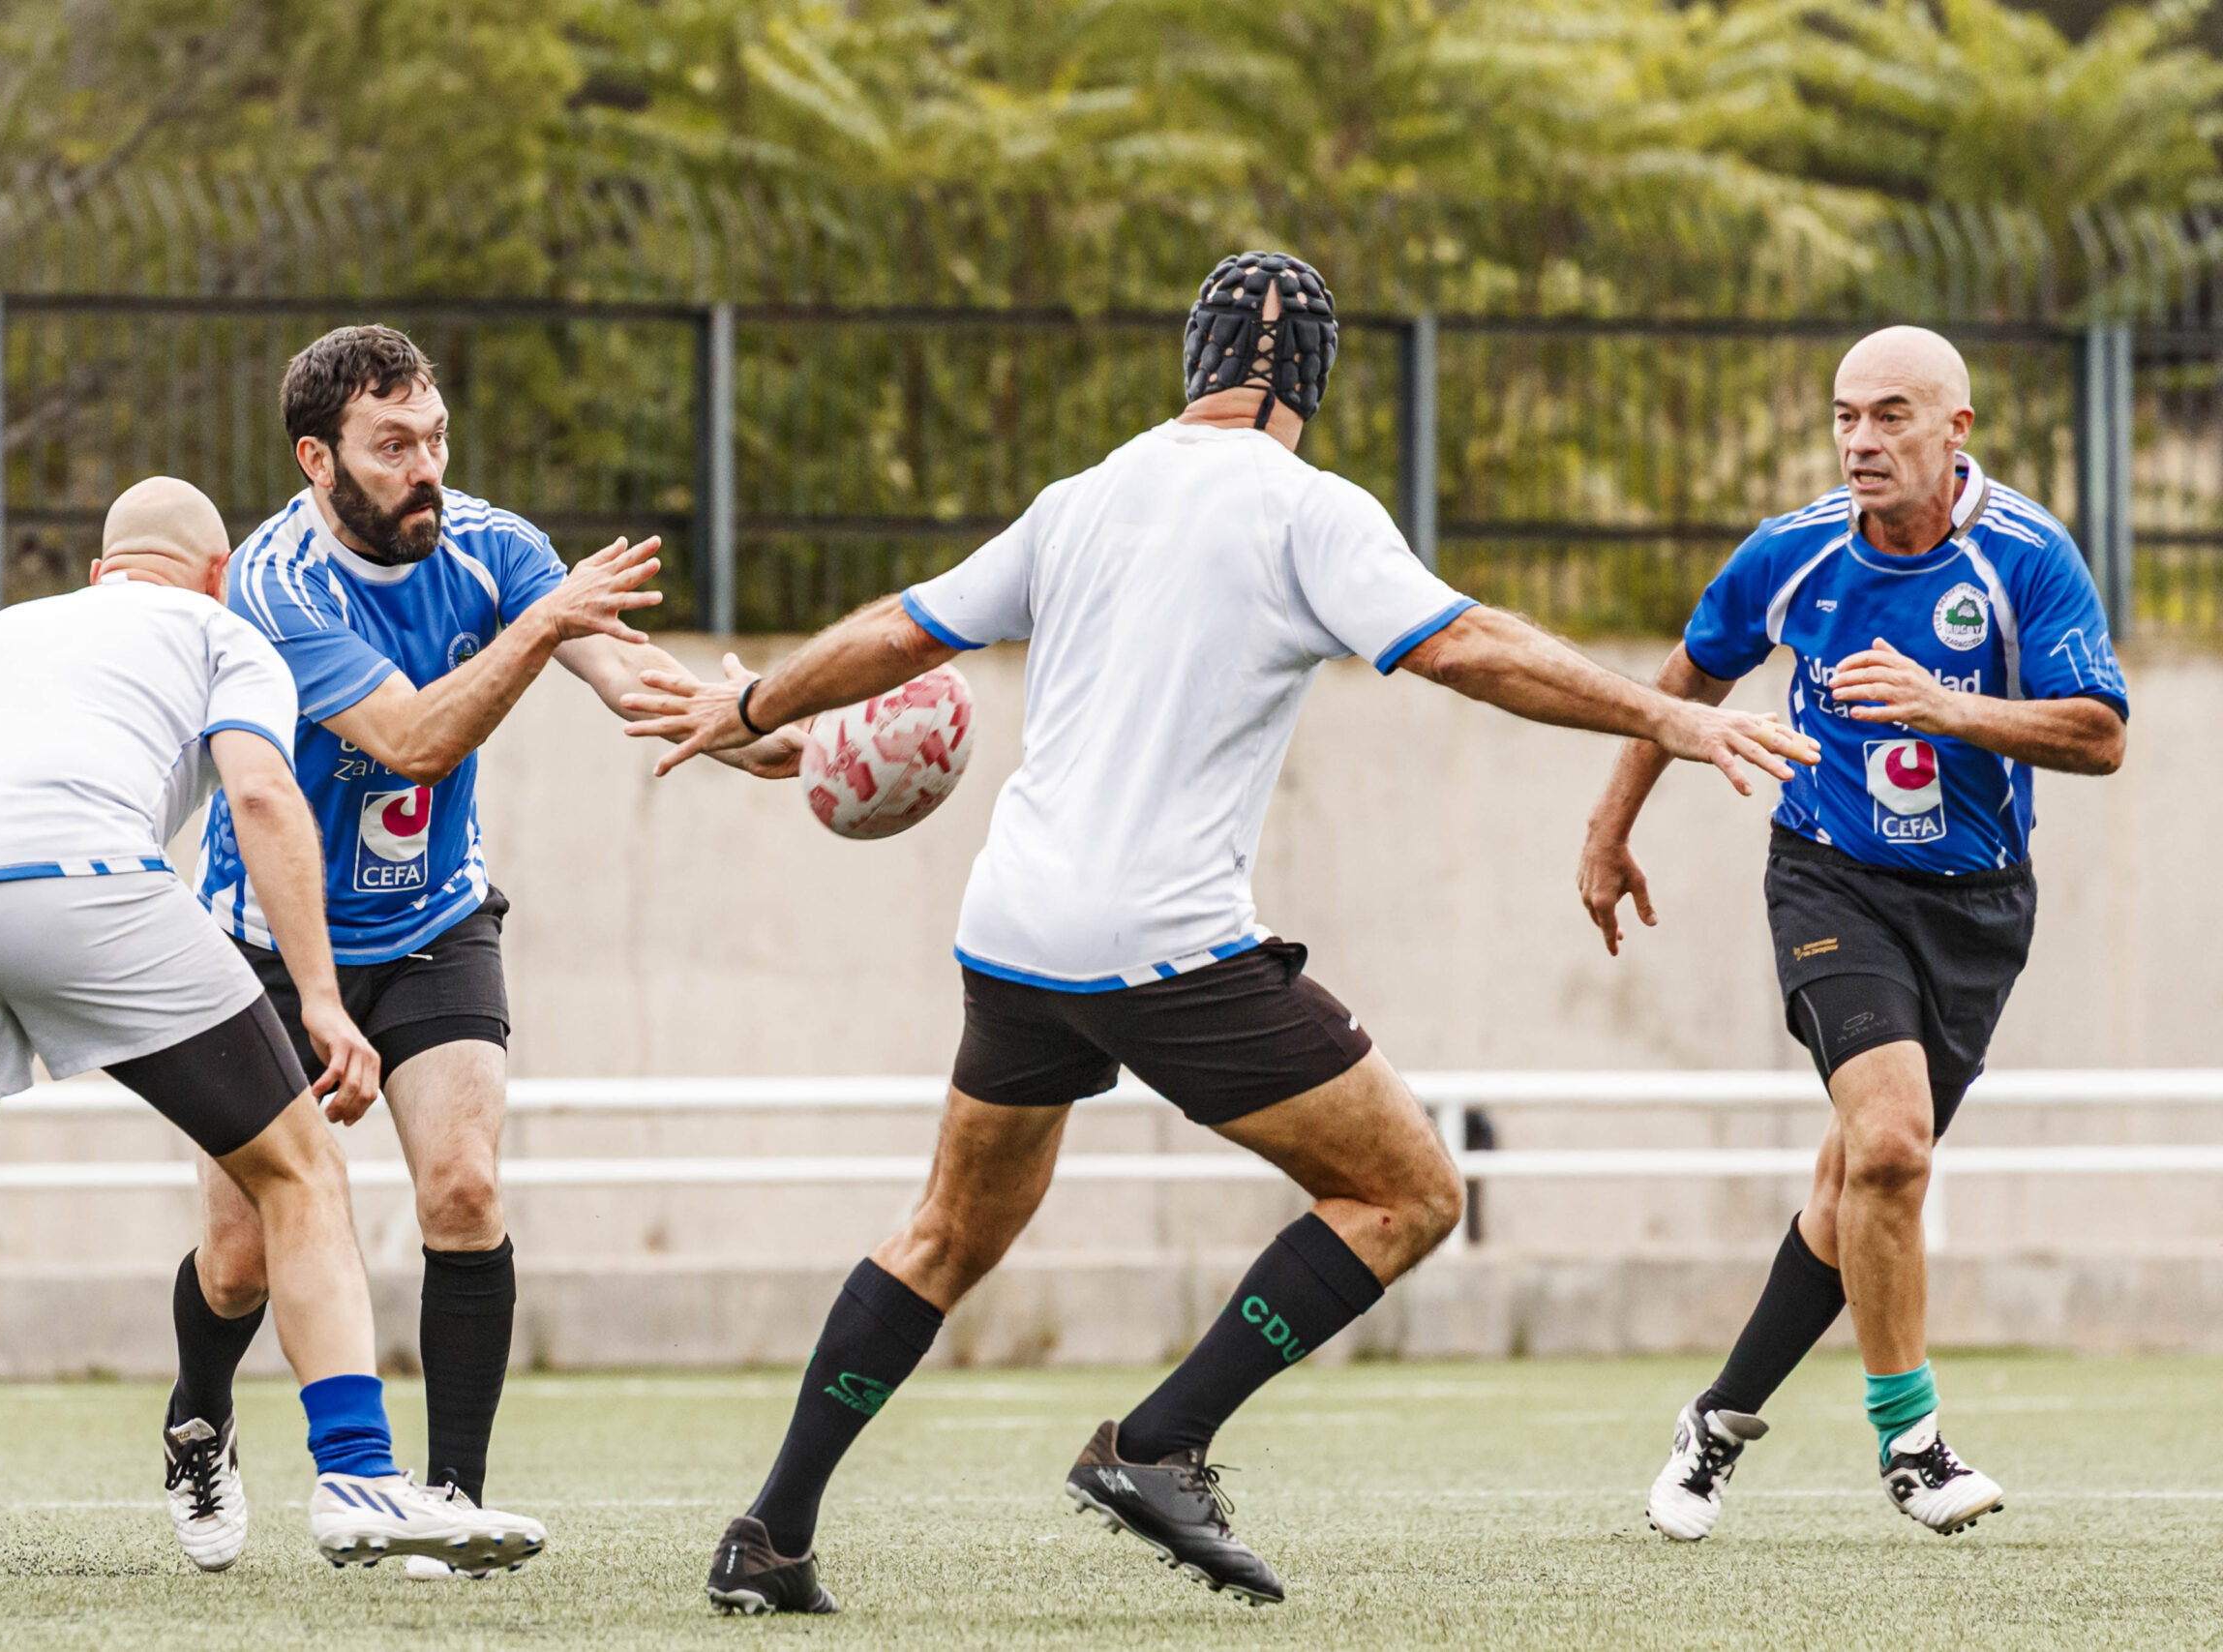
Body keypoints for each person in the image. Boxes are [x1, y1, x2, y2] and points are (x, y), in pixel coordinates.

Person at [624, 252, 1817, 1614]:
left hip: (1014, 933)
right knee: (1410, 1190)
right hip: (1165, 948)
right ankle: (1158, 1441)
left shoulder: (1079, 498)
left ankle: (770, 1531)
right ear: (1314, 379)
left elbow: (902, 631)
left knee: (948, 1228)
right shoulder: (1307, 511)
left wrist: (758, 705)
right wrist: (1670, 714)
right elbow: (1467, 644)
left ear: (1189, 359)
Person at [0, 477, 549, 1603]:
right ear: (218, 573)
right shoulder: (221, 626)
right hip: (88, 885)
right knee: (297, 1175)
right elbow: (263, 799)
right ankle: (357, 1477)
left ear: (100, 573)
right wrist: (323, 1003)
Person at [170, 325, 798, 1578]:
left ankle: (448, 1498)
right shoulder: (277, 584)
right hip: (270, 943)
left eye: (436, 436)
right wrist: (542, 622)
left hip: (435, 919)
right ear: (318, 457)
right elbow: (407, 735)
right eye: (393, 444)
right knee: (240, 1255)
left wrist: (753, 724)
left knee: (462, 1187)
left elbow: (624, 678)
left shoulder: (495, 549)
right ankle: (199, 1420)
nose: (426, 467)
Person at [1577, 326, 2129, 1541]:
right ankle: (1913, 1444)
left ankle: (1716, 1424)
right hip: (1827, 880)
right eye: (1844, 417)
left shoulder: (2026, 559)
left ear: (1955, 430)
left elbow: (2099, 734)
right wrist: (1609, 827)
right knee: (1887, 1148)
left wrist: (1948, 707)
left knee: (1853, 1185)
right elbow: (1684, 676)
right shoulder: (1792, 552)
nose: (1861, 442)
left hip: (1980, 906)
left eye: (1889, 416)